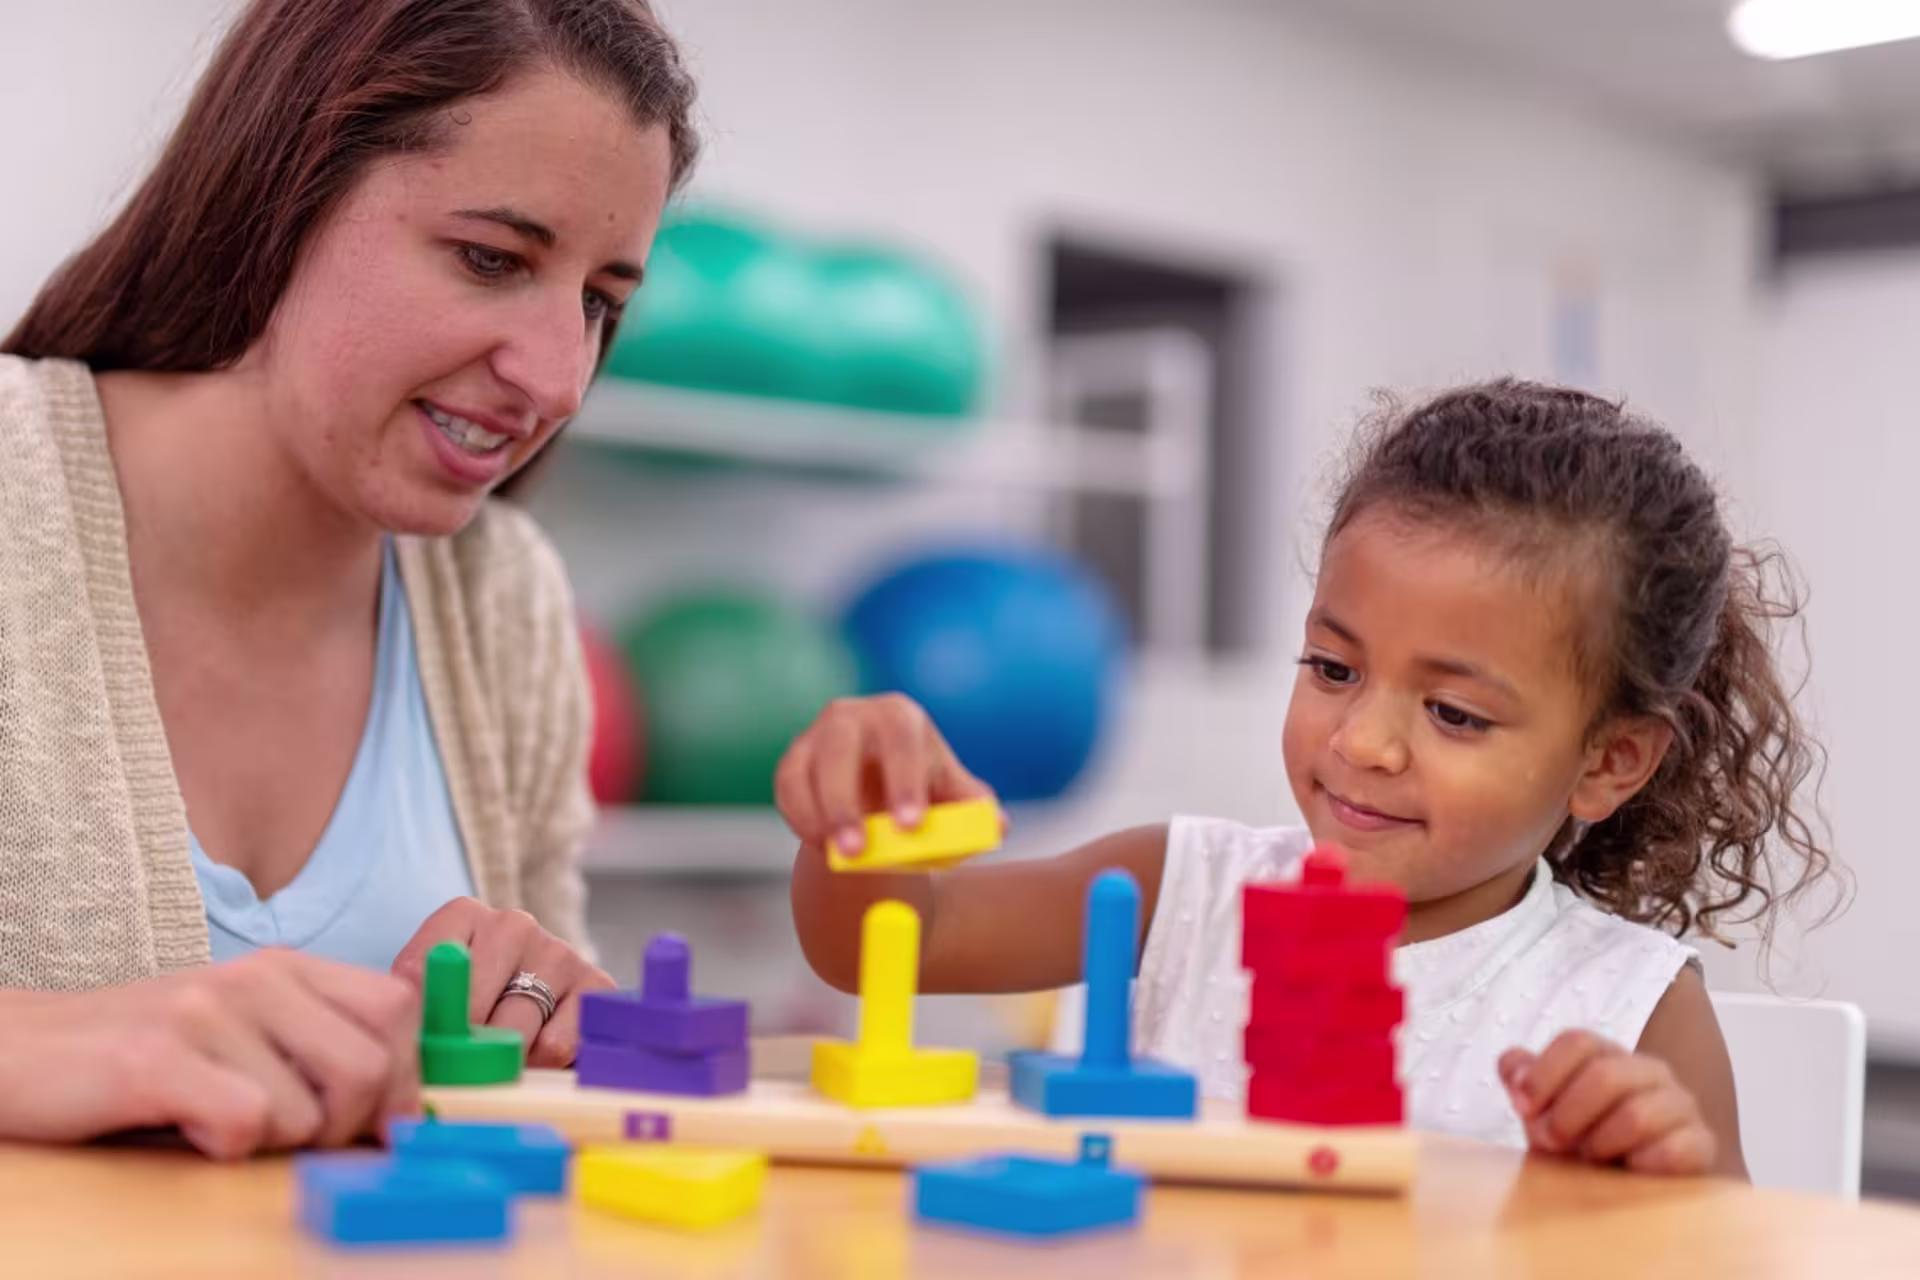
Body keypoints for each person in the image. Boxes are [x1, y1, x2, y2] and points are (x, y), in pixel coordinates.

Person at [786, 379, 1839, 1178]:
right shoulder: (1178, 888)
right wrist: (859, 814)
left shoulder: (1632, 1005)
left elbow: (1725, 1244)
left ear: (1608, 761)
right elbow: (877, 942)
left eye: (1454, 713)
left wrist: (1649, 1187)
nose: (1363, 741)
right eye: (1334, 667)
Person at [0, 0, 696, 1157]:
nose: (560, 380)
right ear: (285, 193)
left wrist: (554, 1025)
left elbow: (539, 1138)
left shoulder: (505, 604)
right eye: (491, 259)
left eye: (597, 303)